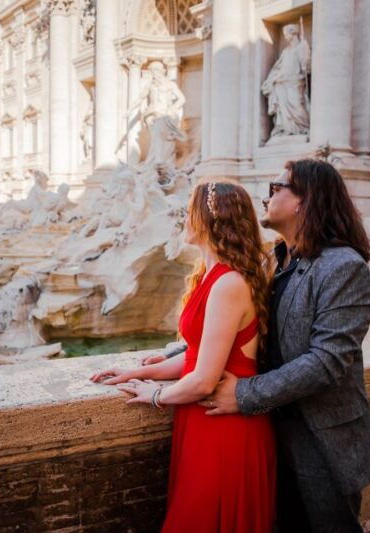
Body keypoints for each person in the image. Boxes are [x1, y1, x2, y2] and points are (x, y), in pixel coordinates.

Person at [200, 159, 370, 532]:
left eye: (277, 187)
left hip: (320, 436)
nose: (268, 194)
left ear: (304, 201)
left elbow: (327, 360)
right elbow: (240, 331)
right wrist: (177, 357)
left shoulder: (344, 266)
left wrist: (246, 394)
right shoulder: (275, 259)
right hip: (267, 429)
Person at [90, 180, 277, 532]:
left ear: (208, 219)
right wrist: (136, 373)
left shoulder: (228, 284)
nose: (184, 218)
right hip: (204, 421)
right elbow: (197, 355)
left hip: (224, 429)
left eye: (190, 211)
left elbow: (205, 379)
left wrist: (155, 395)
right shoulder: (212, 276)